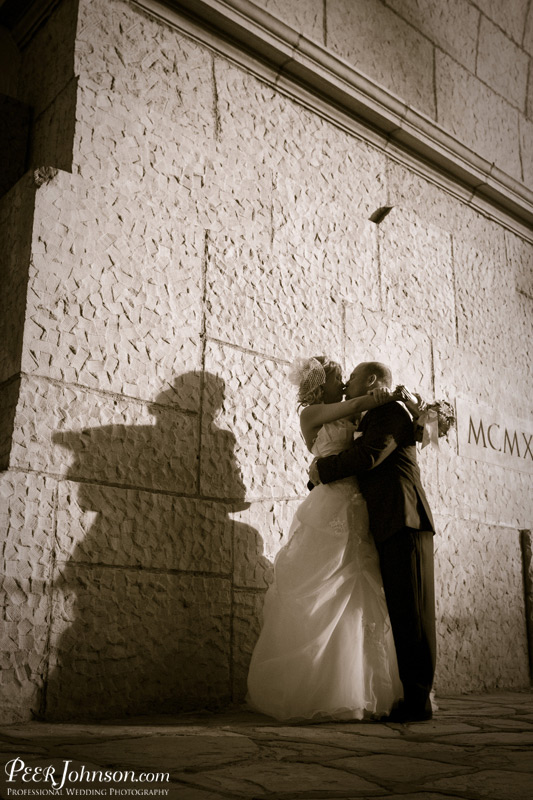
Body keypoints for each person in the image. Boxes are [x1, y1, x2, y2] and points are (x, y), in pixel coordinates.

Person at [246, 356, 403, 722]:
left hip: (356, 499)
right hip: (330, 499)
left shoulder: (351, 414)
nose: (346, 383)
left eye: (348, 378)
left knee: (361, 585)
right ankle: (320, 687)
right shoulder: (312, 413)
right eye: (340, 378)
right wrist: (389, 395)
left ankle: (363, 685)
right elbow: (358, 403)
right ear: (324, 384)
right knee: (324, 582)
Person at [309, 361, 436, 722]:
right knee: (401, 608)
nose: (347, 384)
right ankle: (411, 696)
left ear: (372, 380)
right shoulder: (372, 415)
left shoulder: (389, 411)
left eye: (351, 378)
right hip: (389, 522)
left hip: (405, 517)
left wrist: (322, 471)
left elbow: (368, 456)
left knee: (413, 612)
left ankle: (417, 700)